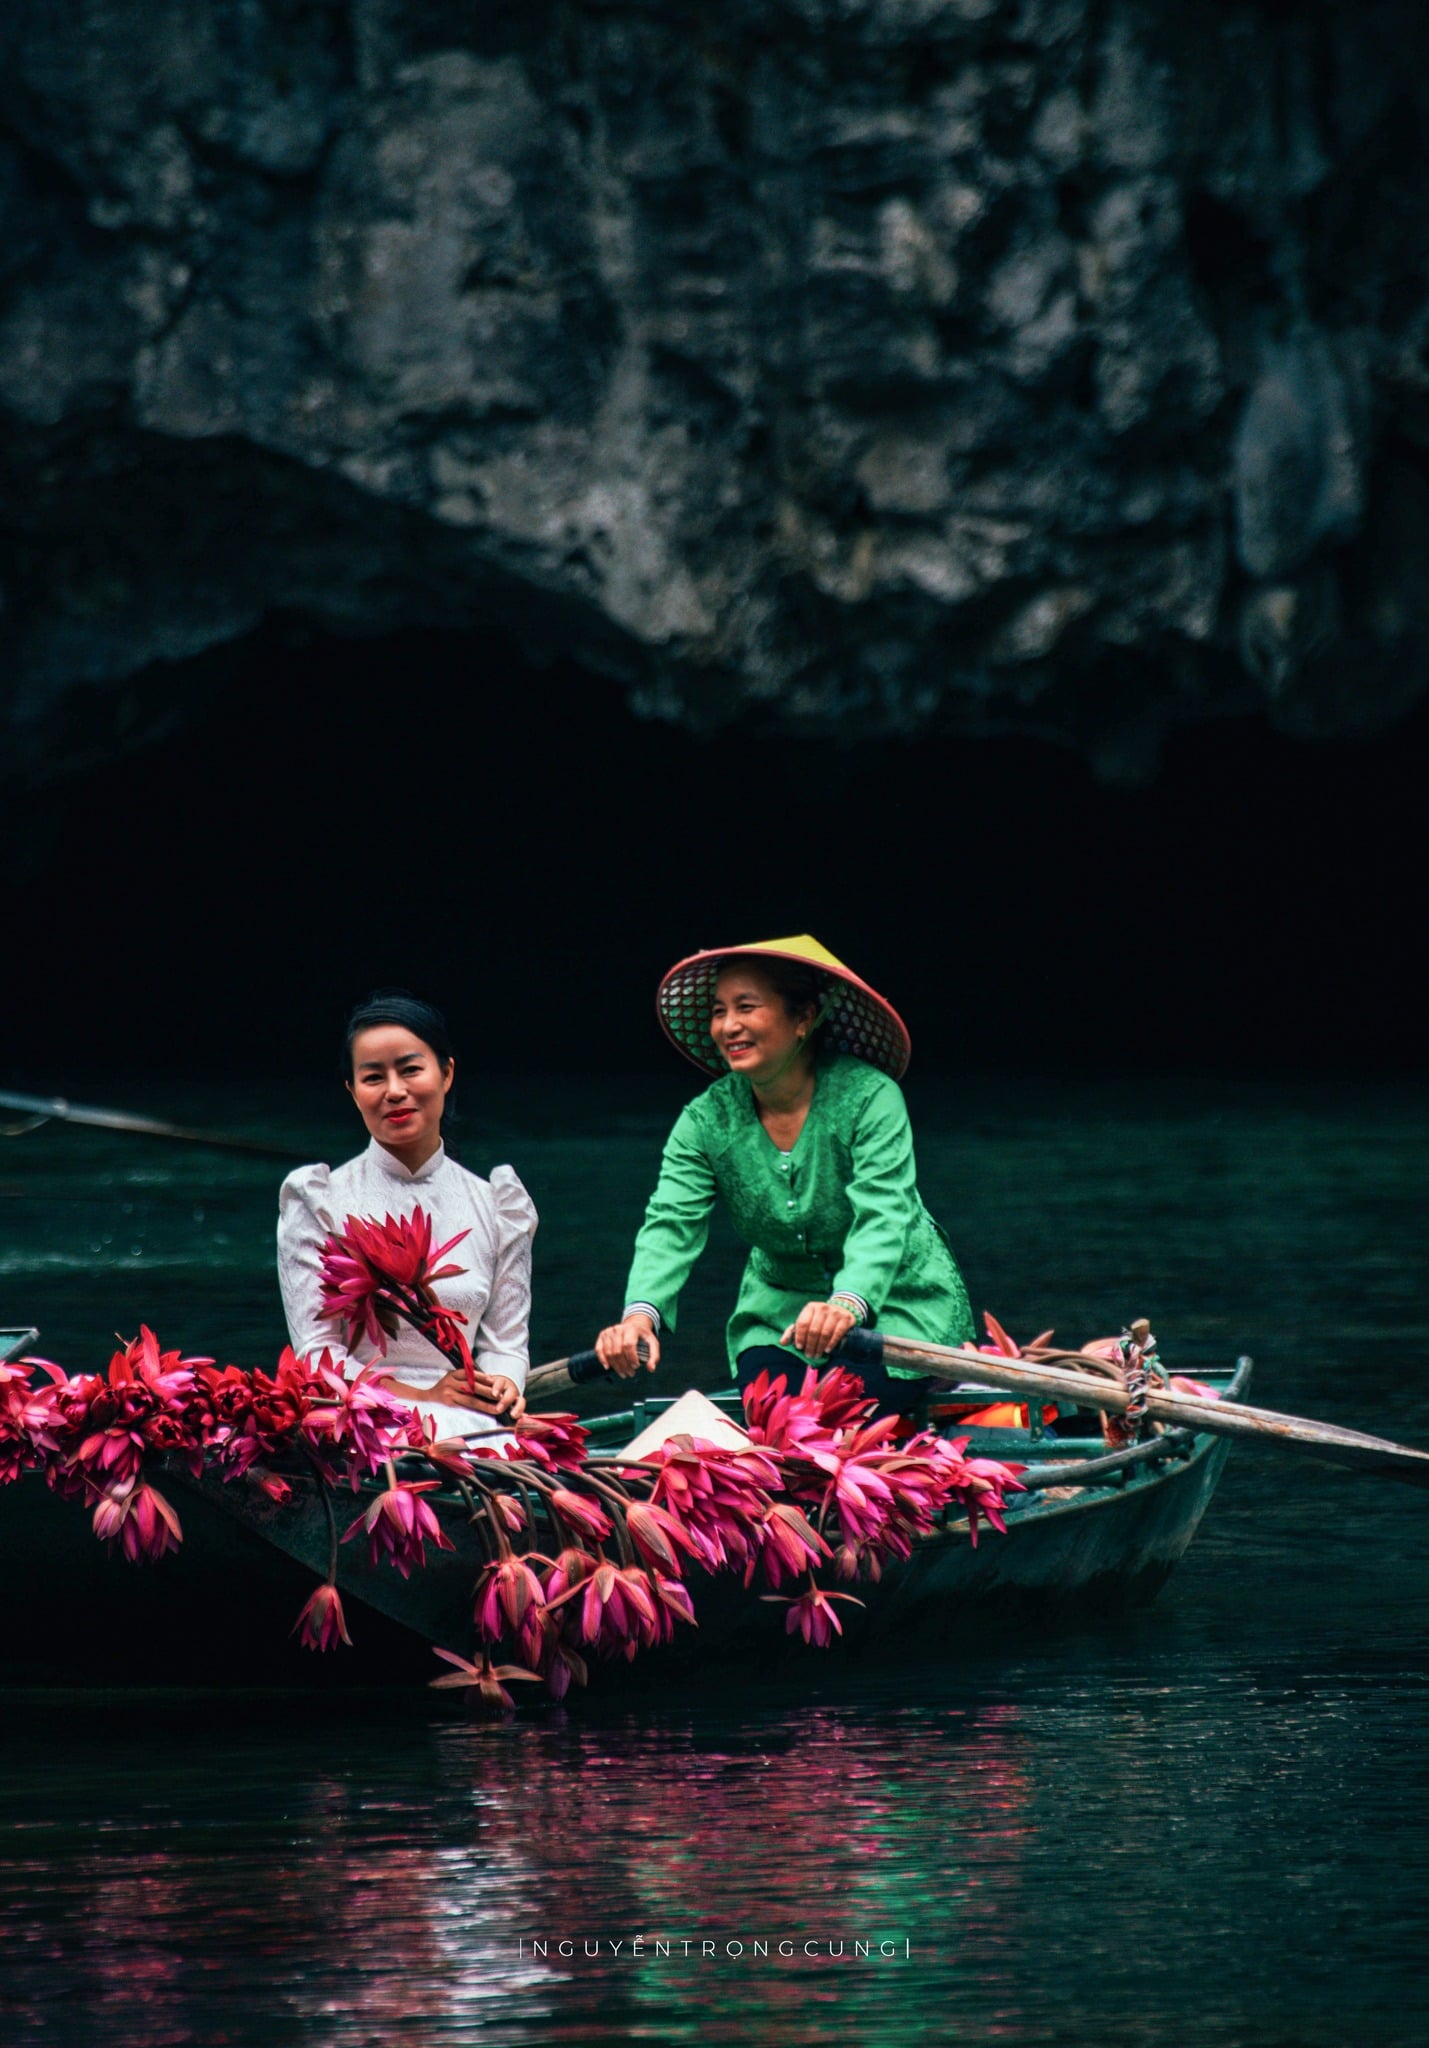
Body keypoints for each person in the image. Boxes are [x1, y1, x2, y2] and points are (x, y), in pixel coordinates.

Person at [594, 936, 974, 1415]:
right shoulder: (704, 1121)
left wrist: (846, 1305)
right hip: (779, 1312)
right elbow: (671, 1221)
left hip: (899, 1304)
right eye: (717, 1011)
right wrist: (638, 1317)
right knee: (772, 1413)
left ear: (802, 1019)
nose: (727, 1026)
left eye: (746, 1007)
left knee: (853, 1405)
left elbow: (884, 1213)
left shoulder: (871, 1098)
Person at [277, 990, 537, 1440]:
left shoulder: (498, 1204)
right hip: (362, 1418)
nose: (395, 1091)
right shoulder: (318, 1200)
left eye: (411, 1069)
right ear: (353, 1093)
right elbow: (317, 1353)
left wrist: (504, 1385)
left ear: (447, 1073)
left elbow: (506, 1342)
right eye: (373, 1077)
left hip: (473, 1420)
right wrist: (421, 1396)